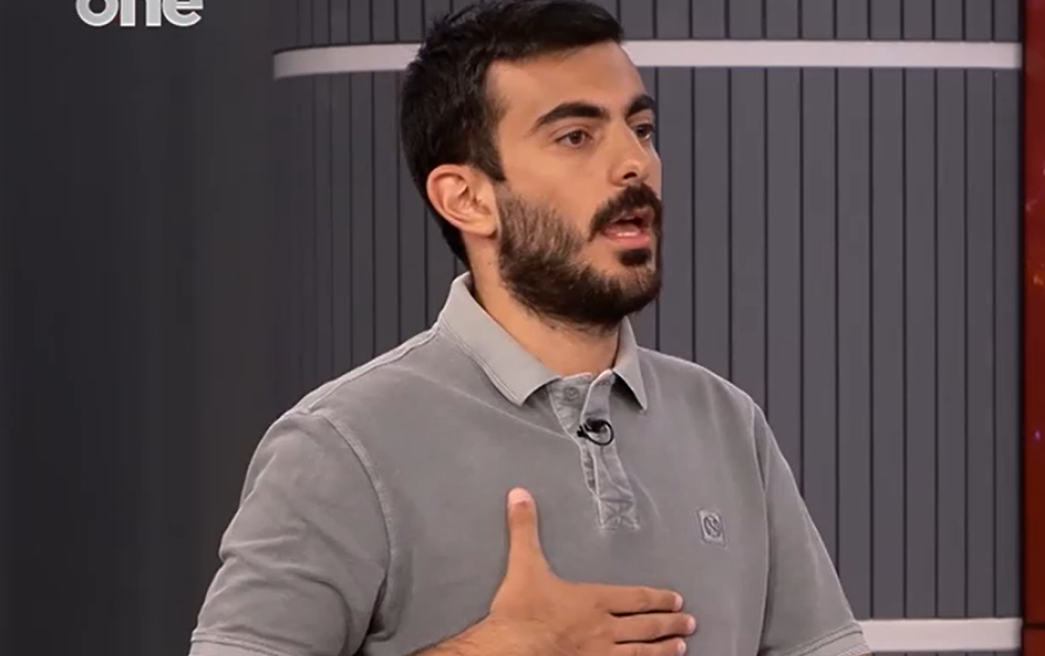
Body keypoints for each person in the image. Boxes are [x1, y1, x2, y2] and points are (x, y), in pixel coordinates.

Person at [189, 1, 871, 655]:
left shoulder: (727, 424)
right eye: (576, 136)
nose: (634, 163)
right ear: (467, 198)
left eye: (640, 128)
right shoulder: (341, 446)